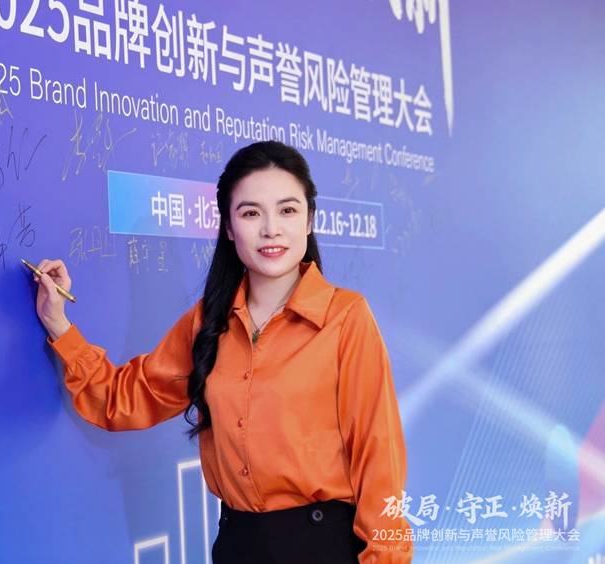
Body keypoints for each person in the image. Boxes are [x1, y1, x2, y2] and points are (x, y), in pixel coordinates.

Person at [34, 141, 413, 563]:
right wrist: (59, 324)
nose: (271, 229)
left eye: (287, 210)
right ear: (229, 228)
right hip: (238, 545)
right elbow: (125, 398)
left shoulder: (345, 318)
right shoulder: (208, 323)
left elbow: (378, 454)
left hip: (324, 546)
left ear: (309, 220)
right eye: (251, 213)